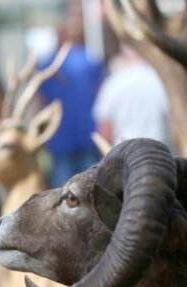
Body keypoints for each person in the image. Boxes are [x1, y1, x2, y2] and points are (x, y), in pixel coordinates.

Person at [37, 0, 104, 188]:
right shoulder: (46, 65)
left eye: (79, 17)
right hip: (60, 146)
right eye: (72, 17)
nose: (76, 22)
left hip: (88, 143)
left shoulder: (92, 61)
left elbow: (100, 102)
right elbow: (41, 105)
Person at [93, 45, 169, 145]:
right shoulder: (159, 81)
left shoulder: (114, 82)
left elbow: (104, 126)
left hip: (124, 152)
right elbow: (172, 117)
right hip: (157, 149)